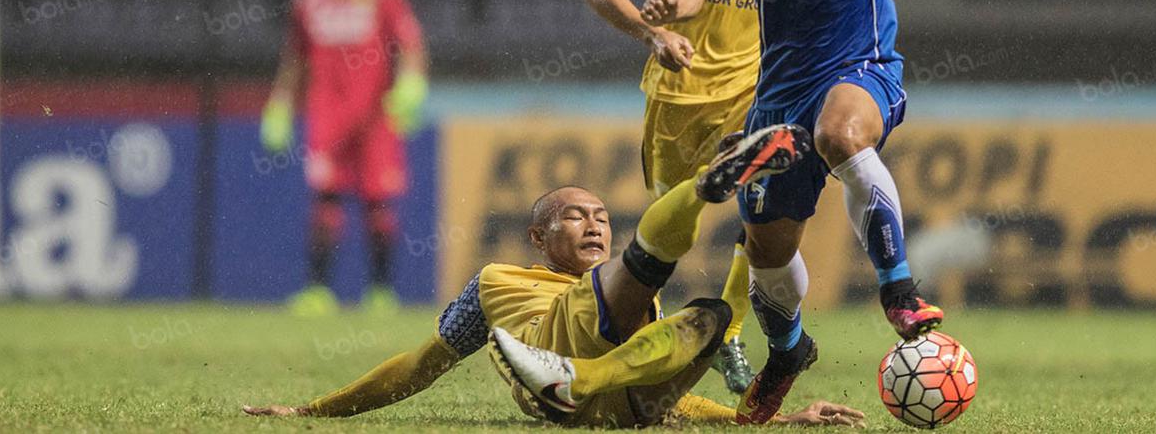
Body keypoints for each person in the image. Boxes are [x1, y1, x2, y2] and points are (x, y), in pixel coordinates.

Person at [641, 0, 1138, 424]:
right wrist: (672, 3)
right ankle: (788, 351)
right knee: (767, 257)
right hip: (778, 94)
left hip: (863, 66)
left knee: (840, 132)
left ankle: (899, 292)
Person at [243, 125, 864, 428]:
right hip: (557, 347)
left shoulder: (630, 304)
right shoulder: (497, 282)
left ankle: (720, 197)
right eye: (575, 216)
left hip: (618, 410)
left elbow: (672, 399)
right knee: (641, 272)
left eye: (602, 217)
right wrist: (312, 409)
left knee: (710, 316)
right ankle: (708, 186)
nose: (594, 225)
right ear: (538, 238)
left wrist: (777, 420)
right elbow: (421, 364)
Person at [583, 0, 761, 393]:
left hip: (758, 84)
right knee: (666, 239)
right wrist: (652, 32)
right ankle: (642, 345)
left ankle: (730, 330)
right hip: (682, 94)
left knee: (767, 208)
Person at [260, 0, 429, 316]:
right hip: (327, 119)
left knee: (378, 202)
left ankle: (381, 292)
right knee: (325, 199)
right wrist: (279, 104)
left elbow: (411, 45)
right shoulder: (309, 1)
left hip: (375, 119)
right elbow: (294, 59)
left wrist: (412, 83)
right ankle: (318, 291)